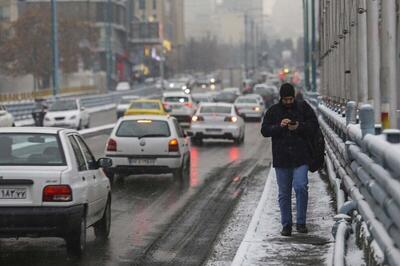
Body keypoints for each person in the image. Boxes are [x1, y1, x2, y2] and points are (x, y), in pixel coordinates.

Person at [260, 83, 318, 236]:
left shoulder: (303, 108)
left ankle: (301, 222)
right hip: (282, 158)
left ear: (294, 97)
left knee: (301, 186)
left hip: (301, 156)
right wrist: (279, 126)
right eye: (285, 99)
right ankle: (286, 225)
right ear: (281, 98)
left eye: (290, 99)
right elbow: (265, 130)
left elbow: (314, 126)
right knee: (284, 193)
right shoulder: (273, 111)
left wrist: (298, 127)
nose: (288, 102)